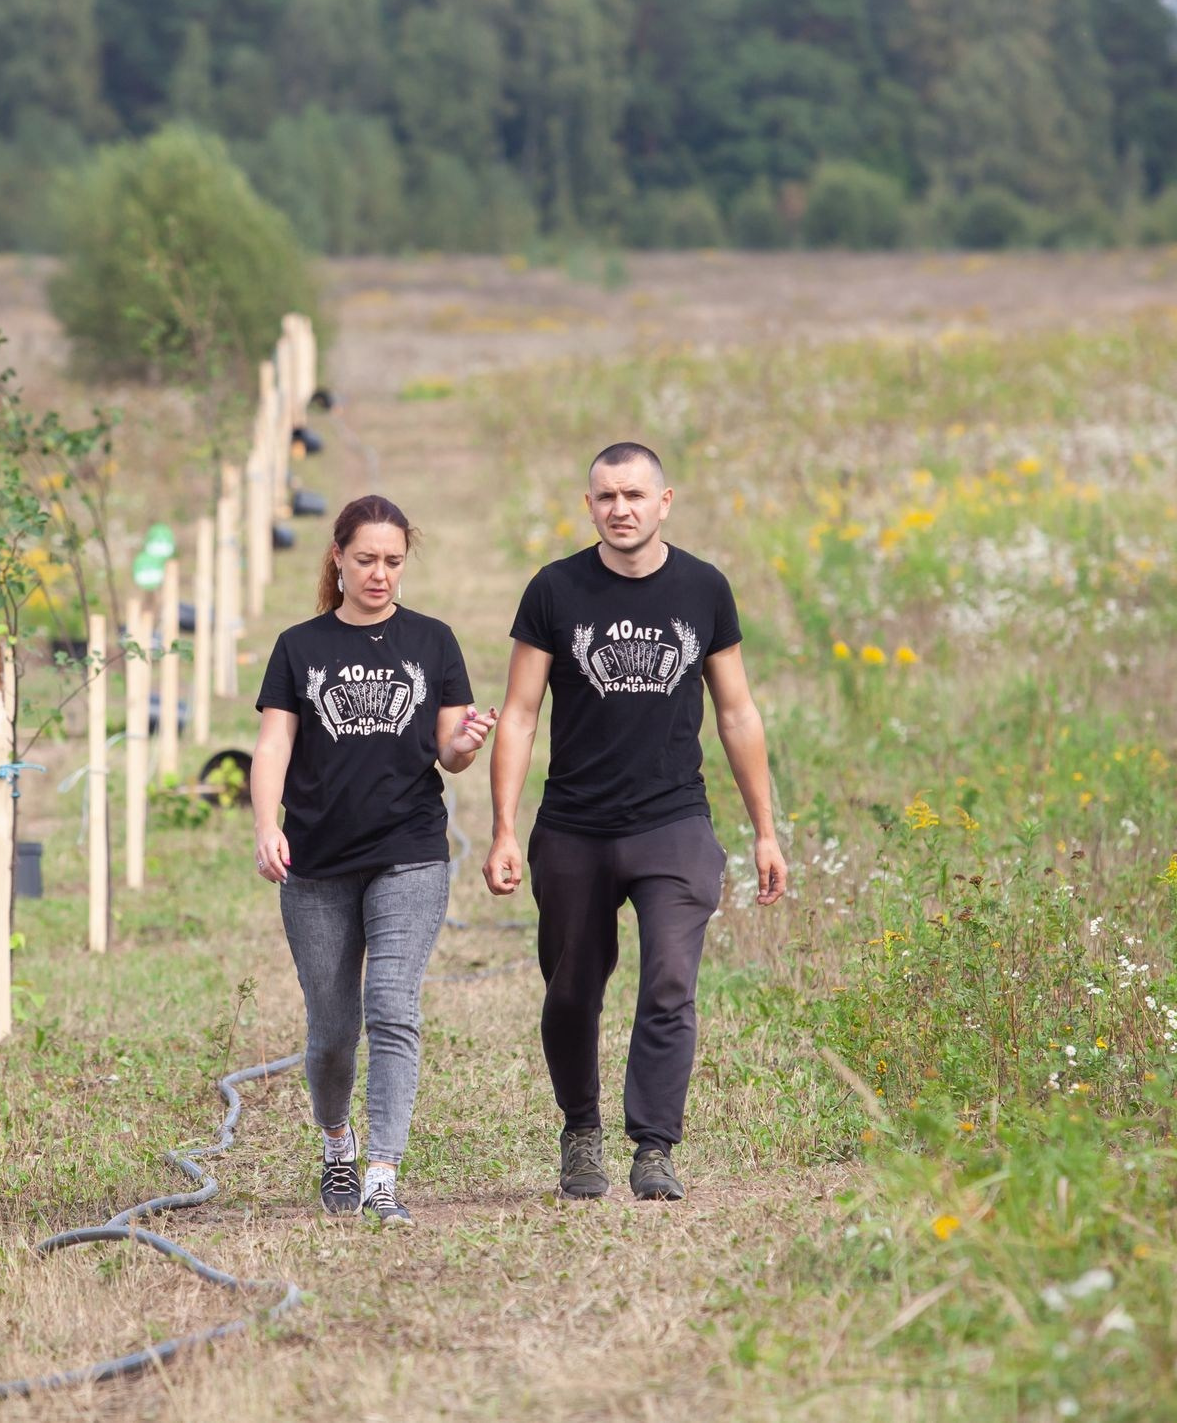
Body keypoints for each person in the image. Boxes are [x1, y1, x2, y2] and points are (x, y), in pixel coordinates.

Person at [483, 442, 787, 1201]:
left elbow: (737, 711)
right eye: (606, 497)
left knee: (670, 982)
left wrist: (765, 830)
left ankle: (655, 1145)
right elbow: (519, 715)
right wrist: (503, 829)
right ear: (588, 506)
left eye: (635, 495)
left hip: (673, 820)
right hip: (575, 825)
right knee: (572, 988)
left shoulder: (704, 588)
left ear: (665, 502)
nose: (621, 509)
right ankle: (579, 1129)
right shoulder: (553, 590)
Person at [252, 494, 496, 1225]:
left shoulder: (433, 641)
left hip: (410, 854)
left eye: (393, 561)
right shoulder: (300, 647)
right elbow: (273, 745)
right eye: (366, 560)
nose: (380, 574)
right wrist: (267, 824)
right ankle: (337, 1147)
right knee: (331, 1031)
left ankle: (383, 1171)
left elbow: (450, 752)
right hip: (317, 864)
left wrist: (463, 745)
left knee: (392, 1007)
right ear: (338, 557)